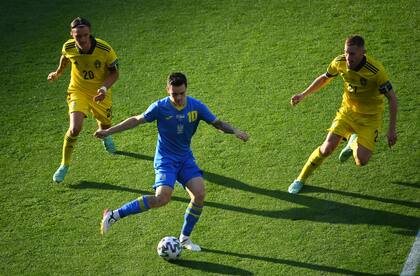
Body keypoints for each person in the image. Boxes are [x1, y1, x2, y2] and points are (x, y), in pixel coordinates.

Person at [96, 72, 249, 251]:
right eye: (174, 94)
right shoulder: (160, 107)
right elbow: (136, 120)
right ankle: (114, 216)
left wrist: (235, 131)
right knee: (162, 198)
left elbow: (218, 124)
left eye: (181, 93)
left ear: (186, 90)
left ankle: (184, 239)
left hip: (185, 158)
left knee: (199, 195)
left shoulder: (196, 106)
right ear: (167, 90)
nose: (178, 98)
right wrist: (108, 132)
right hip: (166, 159)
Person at [288, 35, 397, 194]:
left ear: (363, 52)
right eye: (346, 52)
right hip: (347, 112)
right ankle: (300, 179)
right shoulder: (339, 62)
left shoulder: (376, 71)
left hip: (369, 119)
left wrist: (391, 129)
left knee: (361, 161)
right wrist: (303, 94)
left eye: (352, 54)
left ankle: (352, 141)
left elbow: (392, 99)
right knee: (327, 148)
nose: (348, 57)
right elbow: (325, 78)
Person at [47, 17, 119, 183]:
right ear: (72, 35)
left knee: (106, 125)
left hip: (101, 92)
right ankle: (64, 165)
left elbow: (115, 73)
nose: (82, 39)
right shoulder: (68, 46)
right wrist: (58, 72)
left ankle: (106, 136)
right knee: (75, 128)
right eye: (78, 36)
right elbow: (65, 58)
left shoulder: (105, 49)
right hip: (78, 91)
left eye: (85, 35)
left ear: (90, 33)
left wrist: (103, 89)